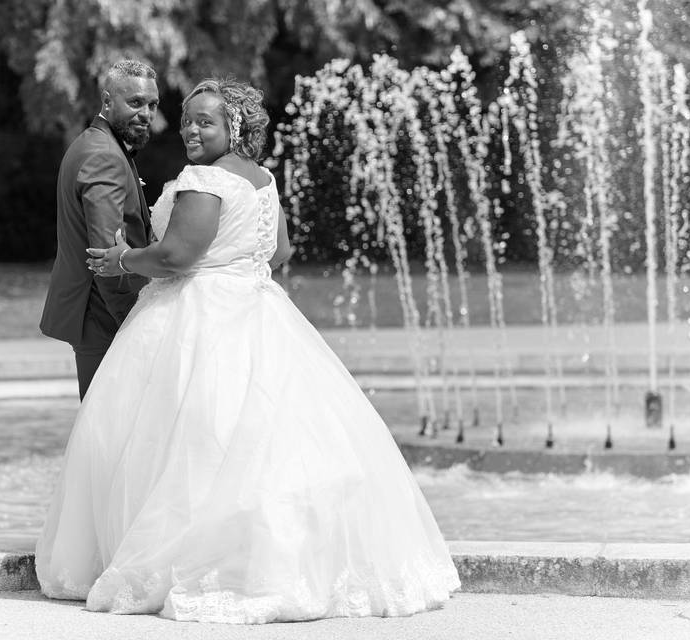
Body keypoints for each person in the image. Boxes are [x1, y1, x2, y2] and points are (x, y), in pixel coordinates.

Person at [35, 77, 460, 623]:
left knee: (182, 444)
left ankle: (180, 560)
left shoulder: (203, 178)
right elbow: (277, 249)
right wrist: (234, 267)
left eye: (204, 121)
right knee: (255, 439)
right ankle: (271, 560)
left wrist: (124, 260)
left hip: (197, 316)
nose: (190, 128)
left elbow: (177, 257)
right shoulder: (261, 179)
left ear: (232, 127)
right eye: (187, 119)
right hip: (258, 309)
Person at [39, 59, 160, 400]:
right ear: (108, 101)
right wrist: (135, 322)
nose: (146, 113)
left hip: (98, 316)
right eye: (135, 102)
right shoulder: (104, 155)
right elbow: (106, 255)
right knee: (108, 437)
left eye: (152, 105)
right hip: (106, 318)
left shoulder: (98, 144)